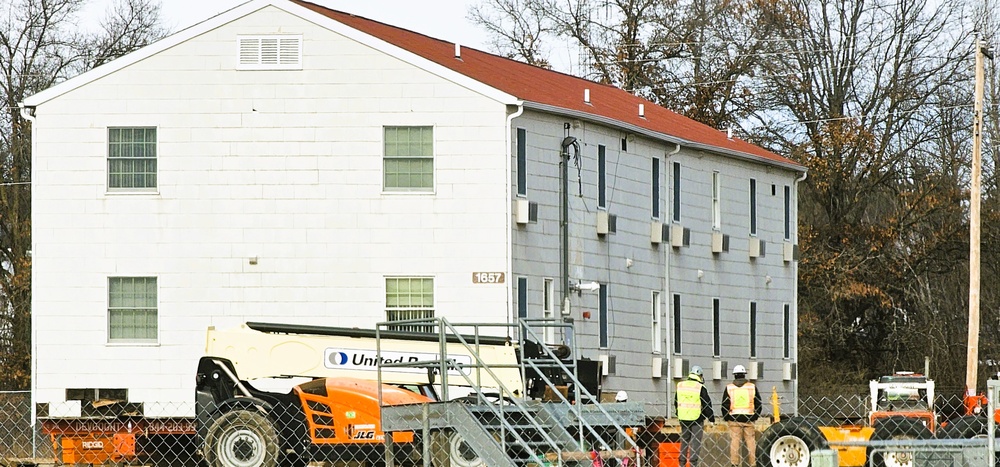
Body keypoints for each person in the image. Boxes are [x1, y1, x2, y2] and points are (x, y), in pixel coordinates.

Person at [721, 364, 762, 467]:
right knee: (751, 441)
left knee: (735, 441)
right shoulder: (752, 387)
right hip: (749, 417)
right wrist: (755, 416)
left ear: (734, 375)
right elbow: (758, 403)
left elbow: (725, 404)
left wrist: (726, 417)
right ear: (744, 375)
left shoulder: (729, 388)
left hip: (734, 418)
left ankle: (734, 463)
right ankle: (753, 463)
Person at [674, 365, 713, 467]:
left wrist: (678, 413)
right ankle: (693, 464)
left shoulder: (681, 385)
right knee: (695, 442)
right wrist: (711, 418)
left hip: (683, 418)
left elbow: (676, 401)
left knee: (684, 440)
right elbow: (707, 404)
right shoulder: (700, 387)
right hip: (697, 418)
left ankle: (681, 463)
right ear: (700, 375)